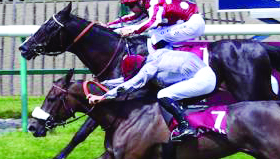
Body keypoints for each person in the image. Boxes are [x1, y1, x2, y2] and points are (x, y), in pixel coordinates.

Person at [88, 45, 216, 140]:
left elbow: (130, 84)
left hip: (202, 80)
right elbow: (128, 80)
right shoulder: (155, 55)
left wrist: (103, 97)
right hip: (206, 73)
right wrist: (104, 83)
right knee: (170, 95)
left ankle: (186, 127)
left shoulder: (149, 68)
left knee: (163, 94)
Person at [107, 0, 205, 51]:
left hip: (192, 24)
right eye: (127, 5)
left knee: (155, 36)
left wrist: (132, 31)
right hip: (188, 23)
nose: (130, 8)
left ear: (140, 1)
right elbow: (131, 19)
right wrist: (107, 26)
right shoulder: (146, 5)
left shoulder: (154, 2)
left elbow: (153, 22)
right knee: (154, 33)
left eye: (131, 5)